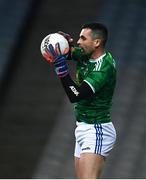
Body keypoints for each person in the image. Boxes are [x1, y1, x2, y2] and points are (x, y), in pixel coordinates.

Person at [44, 22, 117, 179]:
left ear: (97, 42)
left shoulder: (103, 67)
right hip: (83, 127)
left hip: (97, 128)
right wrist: (61, 45)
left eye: (83, 38)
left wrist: (62, 72)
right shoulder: (87, 55)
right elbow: (65, 54)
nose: (78, 41)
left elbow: (76, 95)